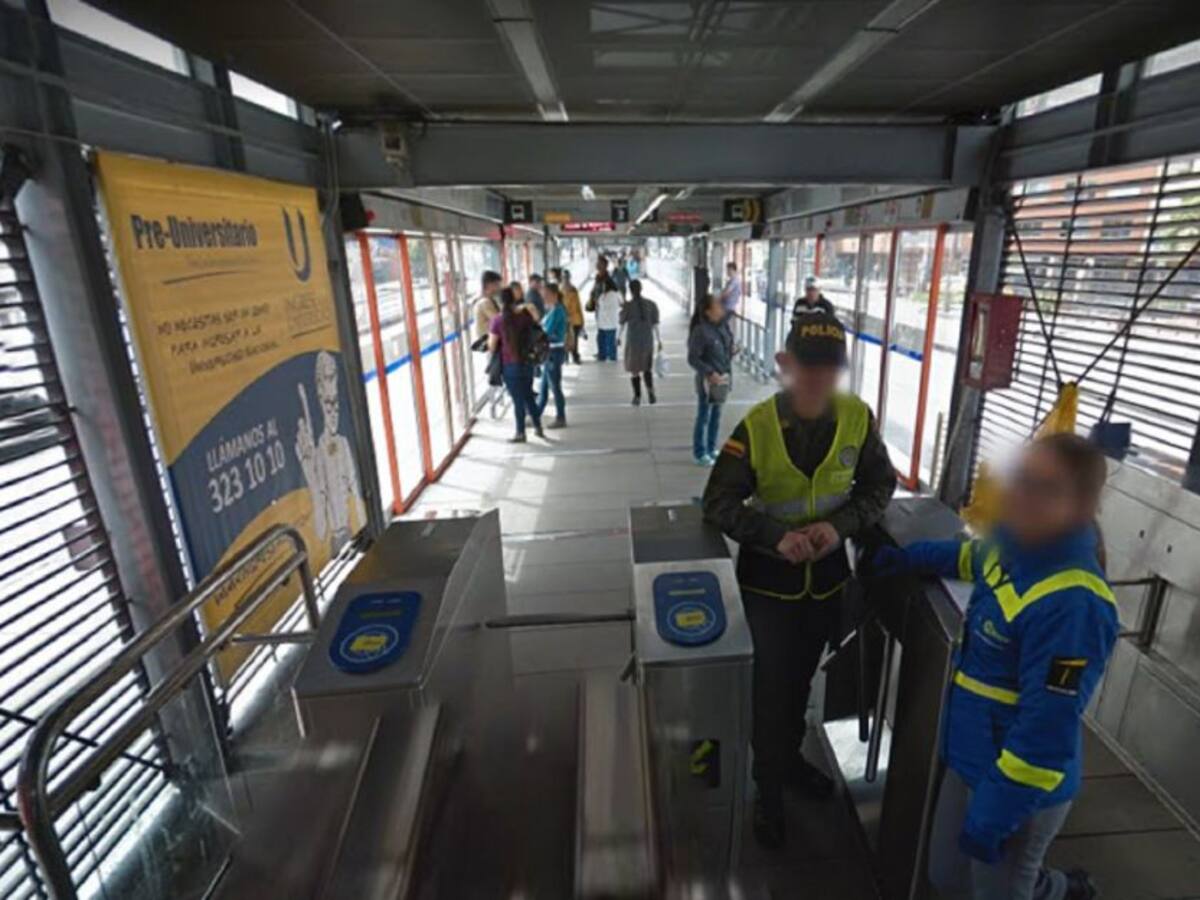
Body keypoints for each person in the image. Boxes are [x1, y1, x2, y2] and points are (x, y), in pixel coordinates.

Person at [873, 434, 1116, 900]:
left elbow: (1046, 733)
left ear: (1082, 507)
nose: (1022, 496)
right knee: (946, 876)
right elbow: (971, 558)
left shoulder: (1073, 603)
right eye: (1022, 478)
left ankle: (1059, 888)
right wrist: (908, 558)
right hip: (970, 756)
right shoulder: (1015, 544)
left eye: (1047, 488)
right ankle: (1054, 886)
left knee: (996, 892)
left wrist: (995, 814)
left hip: (1019, 787)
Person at [701, 310, 896, 850]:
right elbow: (717, 501)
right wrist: (770, 535)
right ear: (786, 364)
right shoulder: (757, 427)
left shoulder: (858, 418)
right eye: (808, 367)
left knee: (801, 683)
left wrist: (839, 528)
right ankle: (767, 790)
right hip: (768, 588)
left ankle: (787, 761)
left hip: (827, 584)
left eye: (830, 370)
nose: (818, 380)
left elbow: (879, 485)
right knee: (769, 689)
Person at [488, 287, 544, 443]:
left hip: (510, 365)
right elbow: (537, 320)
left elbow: (492, 346)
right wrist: (525, 307)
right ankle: (538, 427)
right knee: (528, 396)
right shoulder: (524, 316)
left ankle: (520, 433)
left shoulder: (497, 320)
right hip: (527, 363)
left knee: (518, 400)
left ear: (500, 302)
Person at [687, 293, 734, 465]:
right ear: (708, 312)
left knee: (716, 414)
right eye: (717, 306)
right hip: (708, 381)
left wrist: (732, 351)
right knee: (704, 415)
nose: (721, 308)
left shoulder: (723, 327)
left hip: (723, 378)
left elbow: (725, 349)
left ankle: (712, 447)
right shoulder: (701, 331)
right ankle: (700, 452)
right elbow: (693, 358)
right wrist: (709, 372)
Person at [620, 279, 661, 406]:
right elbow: (655, 325)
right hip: (647, 341)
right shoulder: (651, 304)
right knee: (647, 368)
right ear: (641, 289)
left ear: (630, 291)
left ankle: (637, 396)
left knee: (635, 370)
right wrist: (659, 340)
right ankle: (650, 391)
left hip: (633, 342)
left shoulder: (627, 306)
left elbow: (621, 323)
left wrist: (618, 337)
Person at [536, 283, 568, 428]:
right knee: (543, 387)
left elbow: (546, 332)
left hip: (554, 352)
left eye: (546, 295)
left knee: (555, 387)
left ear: (554, 294)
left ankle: (561, 417)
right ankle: (536, 414)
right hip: (549, 352)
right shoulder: (552, 310)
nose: (544, 298)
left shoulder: (558, 311)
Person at [595, 276, 622, 362]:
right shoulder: (603, 295)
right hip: (604, 322)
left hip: (609, 322)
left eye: (604, 285)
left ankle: (609, 356)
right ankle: (606, 356)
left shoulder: (615, 294)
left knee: (608, 341)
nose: (603, 287)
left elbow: (622, 304)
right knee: (604, 341)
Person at [561, 268, 586, 364]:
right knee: (565, 338)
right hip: (564, 319)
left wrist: (582, 320)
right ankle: (565, 357)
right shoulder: (559, 291)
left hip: (575, 320)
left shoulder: (574, 290)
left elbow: (578, 305)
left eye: (567, 277)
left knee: (575, 340)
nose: (566, 280)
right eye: (564, 278)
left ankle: (575, 356)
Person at [473, 270, 504, 341]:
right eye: (497, 284)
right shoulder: (484, 302)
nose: (500, 287)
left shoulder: (489, 299)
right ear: (488, 285)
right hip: (488, 342)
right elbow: (498, 320)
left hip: (492, 340)